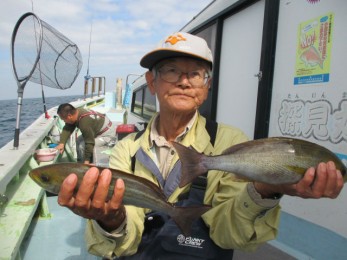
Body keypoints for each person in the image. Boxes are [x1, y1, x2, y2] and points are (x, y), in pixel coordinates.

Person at [57, 32, 344, 259]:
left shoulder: (231, 141)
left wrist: (266, 190)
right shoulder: (126, 149)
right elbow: (125, 243)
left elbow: (228, 235)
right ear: (151, 82)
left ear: (206, 87)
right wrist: (110, 217)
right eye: (171, 70)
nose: (184, 81)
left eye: (195, 74)